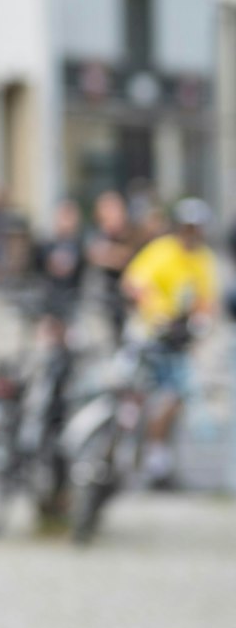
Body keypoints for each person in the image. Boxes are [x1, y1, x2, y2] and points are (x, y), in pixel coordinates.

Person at [120, 197, 220, 488]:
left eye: (197, 229)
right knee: (131, 387)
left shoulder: (204, 260)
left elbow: (206, 301)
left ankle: (157, 460)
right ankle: (121, 443)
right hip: (148, 331)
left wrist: (198, 323)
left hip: (177, 337)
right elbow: (133, 283)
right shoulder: (162, 251)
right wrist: (155, 310)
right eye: (188, 228)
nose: (192, 234)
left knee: (175, 397)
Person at [86, 190, 136, 345]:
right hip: (100, 311)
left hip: (129, 309)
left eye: (114, 211)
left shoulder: (133, 235)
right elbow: (94, 255)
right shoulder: (94, 237)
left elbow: (128, 257)